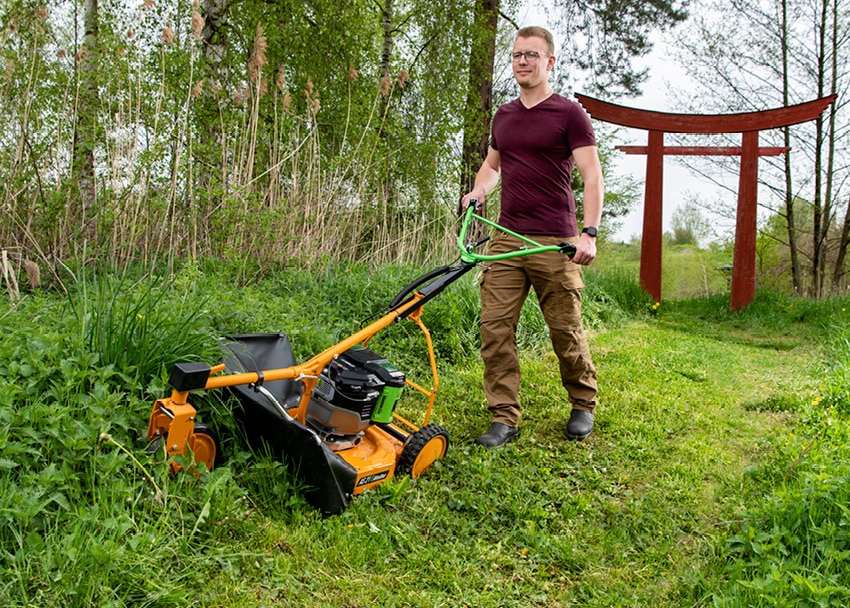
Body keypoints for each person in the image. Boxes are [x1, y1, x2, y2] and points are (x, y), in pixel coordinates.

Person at [461, 25, 604, 448]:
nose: (523, 61)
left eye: (532, 55)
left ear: (549, 61)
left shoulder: (569, 114)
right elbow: (492, 166)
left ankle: (582, 403)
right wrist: (479, 190)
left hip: (555, 242)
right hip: (507, 240)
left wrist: (589, 234)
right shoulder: (504, 116)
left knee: (565, 330)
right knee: (494, 329)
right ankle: (504, 417)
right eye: (517, 54)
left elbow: (592, 176)